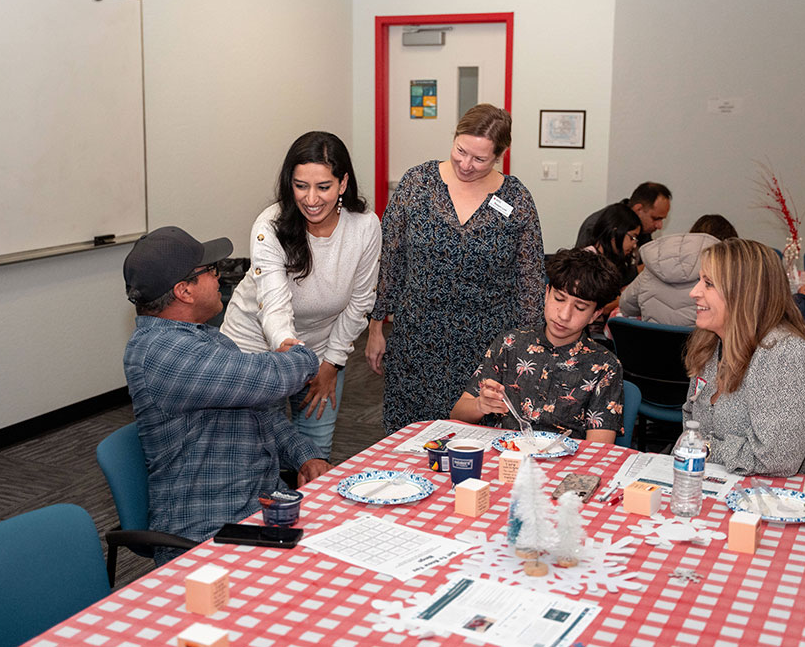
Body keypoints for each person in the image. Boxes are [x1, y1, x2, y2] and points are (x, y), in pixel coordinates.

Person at [123, 226, 330, 563]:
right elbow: (268, 379)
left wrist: (305, 455)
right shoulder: (160, 352)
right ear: (184, 291)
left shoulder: (204, 339)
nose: (219, 278)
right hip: (209, 535)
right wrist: (303, 357)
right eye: (211, 271)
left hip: (258, 508)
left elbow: (258, 406)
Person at [366, 103, 545, 435]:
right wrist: (377, 327)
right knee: (411, 437)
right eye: (460, 151)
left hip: (486, 345)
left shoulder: (516, 199)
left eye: (479, 159)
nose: (466, 164)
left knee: (476, 440)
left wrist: (530, 346)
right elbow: (390, 259)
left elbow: (530, 281)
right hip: (417, 339)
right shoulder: (417, 183)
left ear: (499, 156)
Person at [220, 132, 381, 457]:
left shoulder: (365, 226)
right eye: (300, 186)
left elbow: (360, 302)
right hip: (257, 349)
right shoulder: (271, 225)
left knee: (313, 454)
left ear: (343, 183)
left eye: (323, 186)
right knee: (261, 453)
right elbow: (274, 305)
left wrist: (331, 364)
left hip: (323, 351)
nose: (311, 199)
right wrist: (291, 353)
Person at [682, 238, 805, 477]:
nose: (694, 292)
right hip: (719, 484)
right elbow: (691, 423)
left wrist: (709, 449)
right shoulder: (711, 343)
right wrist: (703, 448)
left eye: (708, 284)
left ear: (745, 294)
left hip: (786, 500)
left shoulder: (785, 354)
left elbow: (779, 460)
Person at [450, 249, 624, 443]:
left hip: (564, 463)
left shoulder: (604, 365)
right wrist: (480, 405)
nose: (564, 315)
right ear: (547, 294)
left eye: (580, 307)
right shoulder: (510, 343)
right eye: (559, 299)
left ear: (595, 314)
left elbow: (599, 449)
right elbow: (457, 415)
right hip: (506, 457)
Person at [619, 214, 739, 326]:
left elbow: (625, 306)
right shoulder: (724, 278)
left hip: (653, 345)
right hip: (700, 346)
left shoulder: (651, 270)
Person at [575, 181, 671, 251]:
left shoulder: (644, 227)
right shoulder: (596, 226)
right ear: (638, 209)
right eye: (656, 218)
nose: (659, 226)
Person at [580, 202, 642, 288]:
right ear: (614, 234)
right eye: (632, 238)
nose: (634, 245)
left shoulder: (615, 262)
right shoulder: (585, 264)